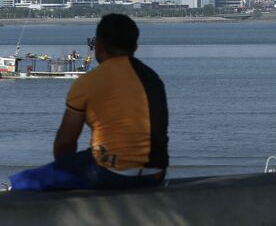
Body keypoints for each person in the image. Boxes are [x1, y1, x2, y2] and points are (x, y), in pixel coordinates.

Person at [8, 14, 169, 191]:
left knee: (23, 181)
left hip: (110, 173)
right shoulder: (153, 78)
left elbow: (65, 142)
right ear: (135, 46)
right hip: (156, 174)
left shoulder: (88, 82)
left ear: (99, 46)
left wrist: (65, 172)